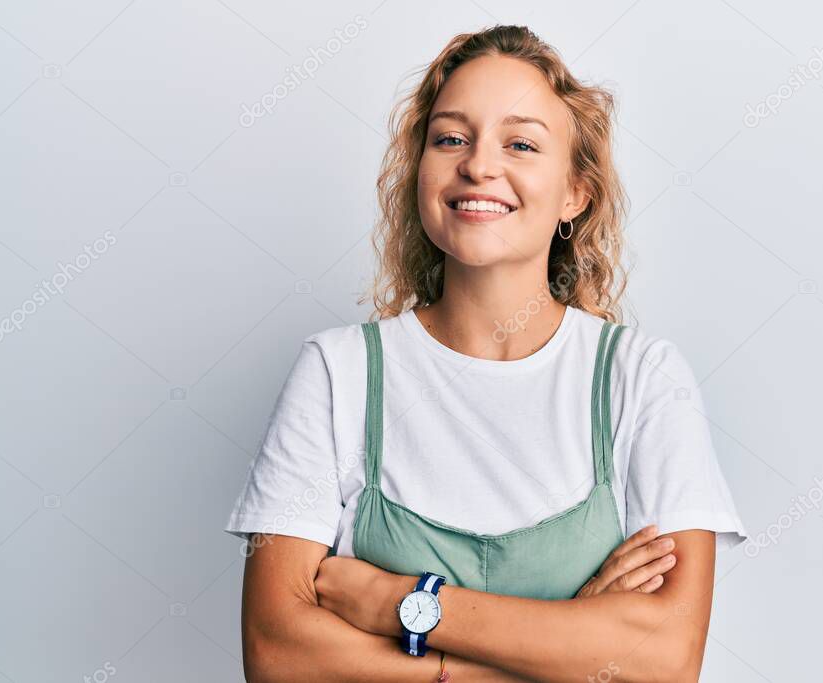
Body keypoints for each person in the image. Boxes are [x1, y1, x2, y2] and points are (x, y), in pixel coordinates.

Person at [224, 24, 747, 682]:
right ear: (421, 171)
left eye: (521, 143)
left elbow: (667, 660)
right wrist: (560, 642)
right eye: (450, 138)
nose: (478, 164)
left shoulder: (641, 379)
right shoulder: (339, 373)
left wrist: (401, 604)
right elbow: (279, 654)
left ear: (574, 193)